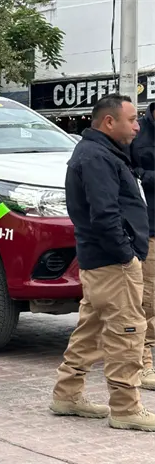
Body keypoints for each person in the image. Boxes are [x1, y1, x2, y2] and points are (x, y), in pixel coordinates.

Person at [50, 93, 154, 432]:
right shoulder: (97, 157)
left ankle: (67, 395)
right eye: (131, 119)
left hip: (101, 261)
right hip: (112, 263)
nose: (137, 126)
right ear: (109, 122)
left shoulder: (100, 153)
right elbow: (105, 214)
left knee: (90, 329)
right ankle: (125, 409)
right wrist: (126, 254)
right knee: (128, 331)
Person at [131, 100, 155, 391]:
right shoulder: (136, 135)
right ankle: (143, 363)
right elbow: (130, 175)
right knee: (148, 300)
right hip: (149, 229)